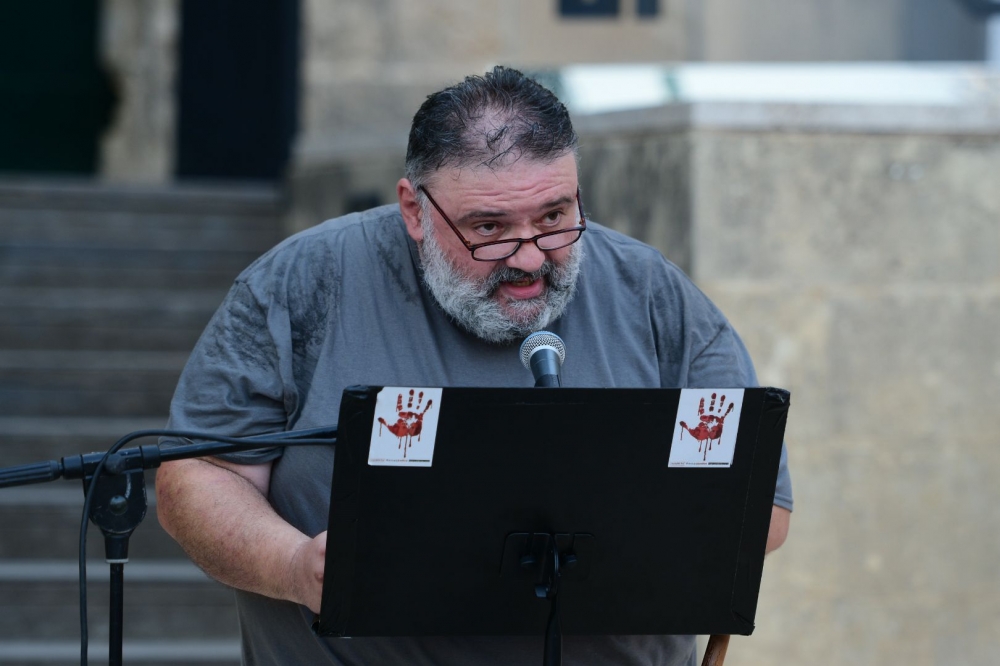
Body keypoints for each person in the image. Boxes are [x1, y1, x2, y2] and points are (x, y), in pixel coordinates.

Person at [156, 65, 793, 666]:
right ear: (414, 209)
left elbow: (762, 508)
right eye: (489, 228)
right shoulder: (304, 282)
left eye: (555, 216)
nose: (528, 258)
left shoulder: (651, 292)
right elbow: (199, 478)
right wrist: (294, 565)